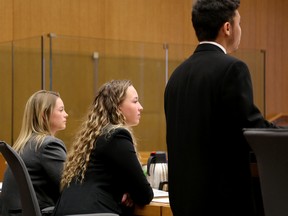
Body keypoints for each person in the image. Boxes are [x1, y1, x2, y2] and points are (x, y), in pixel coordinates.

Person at [164, 0, 279, 216]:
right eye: (239, 23)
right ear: (227, 28)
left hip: (183, 203)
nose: (240, 30)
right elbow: (252, 128)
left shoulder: (176, 76)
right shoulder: (233, 68)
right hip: (222, 204)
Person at [52, 80, 153, 216]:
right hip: (93, 212)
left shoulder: (95, 135)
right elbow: (145, 194)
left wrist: (126, 191)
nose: (140, 107)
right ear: (117, 107)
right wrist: (132, 193)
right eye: (135, 101)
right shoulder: (117, 136)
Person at [1, 90, 68, 216]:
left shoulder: (25, 144)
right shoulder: (48, 145)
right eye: (61, 110)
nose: (66, 114)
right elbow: (72, 185)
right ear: (44, 115)